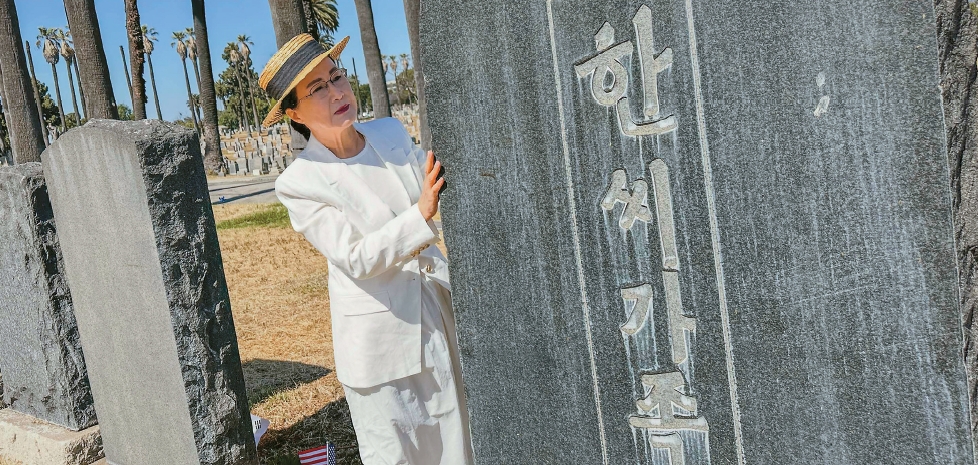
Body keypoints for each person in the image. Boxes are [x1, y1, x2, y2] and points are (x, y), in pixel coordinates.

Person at [259, 34, 473, 465]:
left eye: (336, 76)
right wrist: (420, 214)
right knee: (399, 451)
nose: (337, 92)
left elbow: (434, 175)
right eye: (317, 88)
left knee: (459, 438)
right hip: (381, 337)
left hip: (436, 309)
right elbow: (355, 257)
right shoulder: (300, 182)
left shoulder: (389, 132)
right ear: (294, 113)